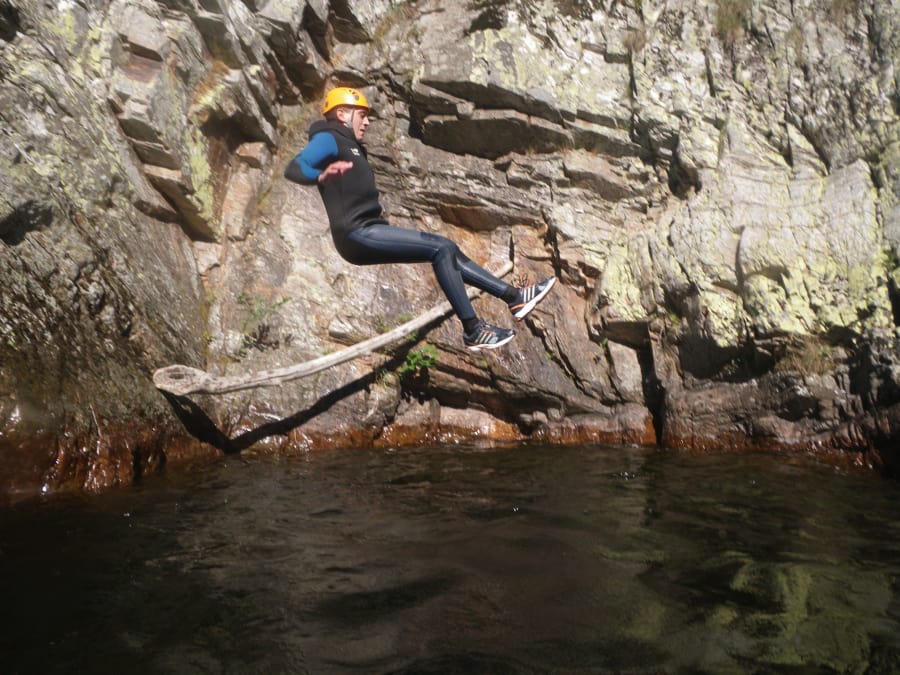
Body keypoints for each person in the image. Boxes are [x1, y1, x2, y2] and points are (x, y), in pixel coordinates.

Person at [284, 86, 556, 351]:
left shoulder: (353, 147)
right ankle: (474, 330)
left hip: (367, 230)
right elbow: (296, 167)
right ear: (343, 114)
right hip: (356, 233)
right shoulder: (328, 137)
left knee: (448, 250)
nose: (367, 122)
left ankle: (515, 297)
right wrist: (319, 176)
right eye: (362, 115)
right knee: (441, 247)